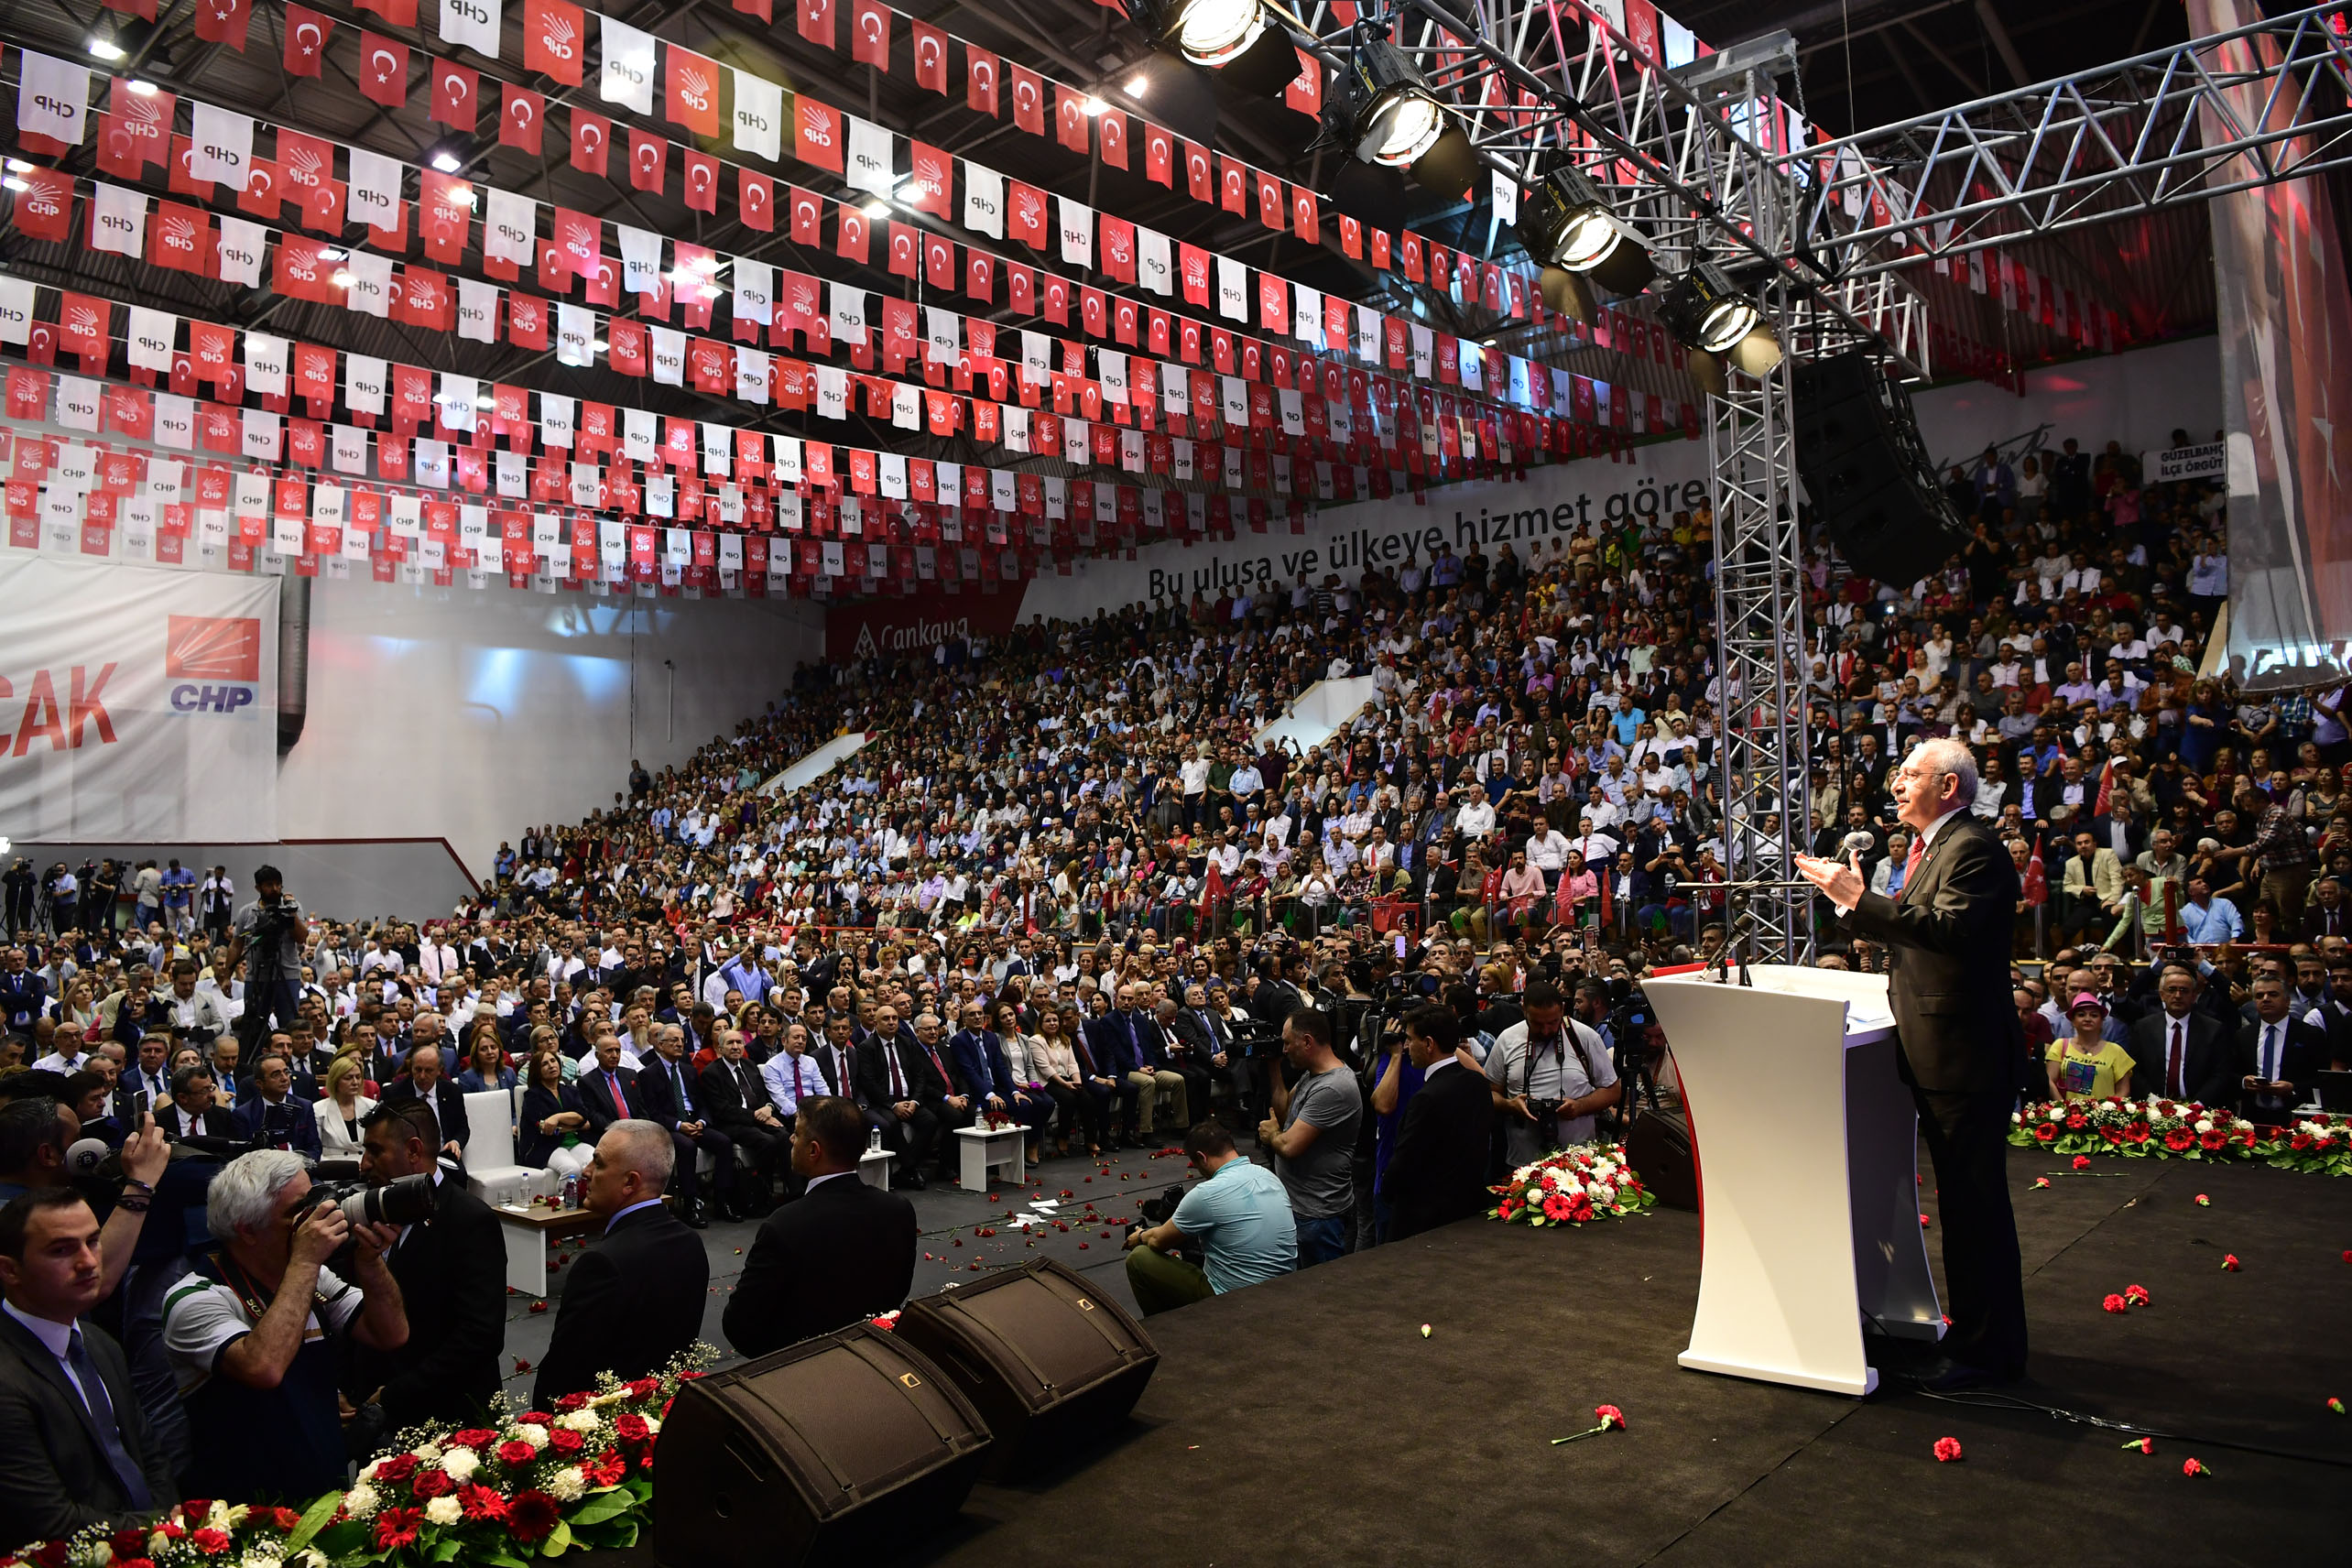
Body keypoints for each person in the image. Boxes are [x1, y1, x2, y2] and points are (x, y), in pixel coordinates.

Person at [1794, 736, 2028, 1391]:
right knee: (1963, 1204)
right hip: (1941, 1053)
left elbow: (1945, 931)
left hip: (1966, 1057)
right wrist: (1861, 903)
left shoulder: (1973, 849)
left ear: (1948, 787)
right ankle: (1980, 1338)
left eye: (1909, 775)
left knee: (1975, 1209)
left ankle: (1989, 1353)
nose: (1895, 786)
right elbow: (1922, 928)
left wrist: (1855, 899)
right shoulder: (1937, 849)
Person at [161, 1150, 408, 1502]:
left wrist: (370, 1264)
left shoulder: (313, 1277)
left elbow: (392, 1333)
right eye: (299, 1211)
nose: (318, 1217)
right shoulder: (195, 1297)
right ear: (247, 1230)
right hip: (245, 1517)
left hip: (325, 1494)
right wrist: (306, 1259)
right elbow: (263, 1367)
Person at [0, 1189, 179, 1542]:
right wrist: (161, 1527)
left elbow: (150, 1458)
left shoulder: (99, 1343)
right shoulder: (6, 1378)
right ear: (10, 1270)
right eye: (61, 1250)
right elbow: (49, 1520)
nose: (88, 1262)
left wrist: (167, 1526)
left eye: (93, 1241)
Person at [346, 1099, 506, 1431]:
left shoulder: (468, 1220)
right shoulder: (362, 1211)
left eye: (375, 1151)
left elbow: (480, 1337)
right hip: (372, 1411)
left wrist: (394, 1394)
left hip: (448, 1418)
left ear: (414, 1151)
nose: (364, 1164)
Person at [722, 1096, 918, 1356]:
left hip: (802, 1365)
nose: (791, 1140)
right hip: (875, 1351)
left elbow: (740, 1324)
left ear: (814, 1150)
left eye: (796, 1134)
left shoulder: (785, 1226)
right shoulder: (898, 1210)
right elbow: (897, 1291)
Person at [531, 1120, 708, 1409]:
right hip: (667, 1415)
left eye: (598, 1164)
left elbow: (563, 1376)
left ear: (630, 1182)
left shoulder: (602, 1264)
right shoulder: (690, 1242)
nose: (586, 1171)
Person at [1123, 1119, 1296, 1316]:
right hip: (1282, 1289)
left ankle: (1163, 1332)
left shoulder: (1208, 1193)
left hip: (1237, 1302)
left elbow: (1157, 1241)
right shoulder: (1269, 1176)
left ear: (1201, 1157)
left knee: (1138, 1259)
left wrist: (1139, 1236)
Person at [1379, 1005, 1496, 1240]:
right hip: (1468, 1213)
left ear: (1429, 1044)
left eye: (1410, 1040)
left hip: (1422, 1222)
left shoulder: (1426, 1098)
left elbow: (1405, 1161)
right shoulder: (1478, 1083)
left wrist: (1386, 1190)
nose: (1407, 1047)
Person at [1257, 1007, 1361, 1266]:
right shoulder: (1312, 1076)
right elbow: (1284, 1116)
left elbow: (1289, 1145)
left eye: (1287, 1043)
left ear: (1307, 1042)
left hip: (1319, 1214)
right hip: (1303, 1208)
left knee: (1323, 1292)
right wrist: (1274, 1070)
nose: (1284, 1050)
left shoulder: (1333, 1087)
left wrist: (1271, 1136)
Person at [1483, 980, 1619, 1166]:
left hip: (1581, 1163)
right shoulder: (1507, 1039)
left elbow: (1612, 1090)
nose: (1546, 1030)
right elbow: (1490, 1093)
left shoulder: (1585, 1037)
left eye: (1553, 1022)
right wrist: (1510, 1105)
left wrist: (1579, 1107)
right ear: (1524, 1010)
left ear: (1563, 1009)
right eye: (1537, 1023)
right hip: (1522, 1163)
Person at [636, 1021, 737, 1225]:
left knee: (724, 1143)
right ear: (660, 1044)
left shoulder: (688, 1070)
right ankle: (690, 1205)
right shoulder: (648, 1074)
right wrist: (678, 1126)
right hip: (669, 1127)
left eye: (682, 1040)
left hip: (693, 1121)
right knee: (687, 1146)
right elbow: (652, 1112)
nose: (679, 1044)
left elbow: (702, 1103)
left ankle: (722, 1201)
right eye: (674, 1040)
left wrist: (701, 1121)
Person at [2126, 966, 2239, 1106]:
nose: (2178, 995)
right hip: (2153, 1107)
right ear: (2162, 995)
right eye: (2172, 990)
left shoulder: (2213, 1029)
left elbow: (2220, 1073)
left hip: (2202, 1109)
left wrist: (2197, 1105)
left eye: (2184, 990)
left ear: (2193, 996)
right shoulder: (2143, 1027)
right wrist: (2155, 1102)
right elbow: (2135, 1071)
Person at [220, 866, 305, 1052]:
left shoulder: (292, 907)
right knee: (253, 1023)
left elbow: (302, 937)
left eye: (278, 885)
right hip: (257, 975)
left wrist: (290, 912)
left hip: (287, 974)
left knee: (289, 1023)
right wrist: (227, 975)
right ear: (258, 887)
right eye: (269, 885)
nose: (275, 889)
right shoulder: (246, 912)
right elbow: (236, 945)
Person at [2238, 974, 2330, 1126]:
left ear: (2287, 1001)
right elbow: (2230, 1073)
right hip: (2253, 1119)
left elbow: (2323, 1078)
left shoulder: (2310, 1034)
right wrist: (2243, 1082)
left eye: (2273, 994)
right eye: (2260, 996)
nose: (2265, 999)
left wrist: (2294, 1088)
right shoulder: (2243, 1035)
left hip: (2296, 1119)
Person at [380, 1042, 471, 1168]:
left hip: (444, 1156)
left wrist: (456, 1142)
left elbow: (463, 1128)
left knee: (458, 1180)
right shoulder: (394, 1093)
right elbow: (386, 1132)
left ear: (439, 1070)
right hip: (406, 1159)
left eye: (428, 1071)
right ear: (411, 1068)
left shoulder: (452, 1092)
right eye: (418, 1070)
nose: (422, 1076)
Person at [231, 1050, 321, 1160]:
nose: (284, 1078)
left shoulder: (304, 1106)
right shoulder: (243, 1115)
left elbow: (314, 1147)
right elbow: (244, 1156)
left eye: (286, 1072)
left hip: (300, 1168)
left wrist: (300, 1167)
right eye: (276, 1074)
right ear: (260, 1084)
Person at [517, 1049, 593, 1181]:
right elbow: (546, 1128)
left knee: (597, 1162)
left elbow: (583, 1116)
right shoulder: (532, 1096)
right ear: (537, 1071)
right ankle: (564, 1201)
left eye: (553, 1061)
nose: (551, 1065)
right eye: (545, 1064)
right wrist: (575, 1124)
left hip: (576, 1142)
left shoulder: (571, 1090)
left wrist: (557, 1117)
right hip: (547, 1146)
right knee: (572, 1169)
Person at [2045, 994, 2135, 1102]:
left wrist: (2105, 1112)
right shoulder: (2060, 1045)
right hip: (2068, 1116)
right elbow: (2049, 1081)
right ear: (2073, 1021)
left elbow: (2123, 1090)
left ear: (2102, 1021)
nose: (2087, 1019)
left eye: (2094, 1015)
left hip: (2104, 1116)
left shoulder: (2116, 1050)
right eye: (2081, 1015)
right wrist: (2063, 1108)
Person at [314, 1055, 376, 1159]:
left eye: (358, 1077)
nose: (355, 1082)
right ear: (335, 1081)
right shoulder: (318, 1110)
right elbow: (316, 1150)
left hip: (367, 1165)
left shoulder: (371, 1106)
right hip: (334, 1167)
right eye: (348, 1078)